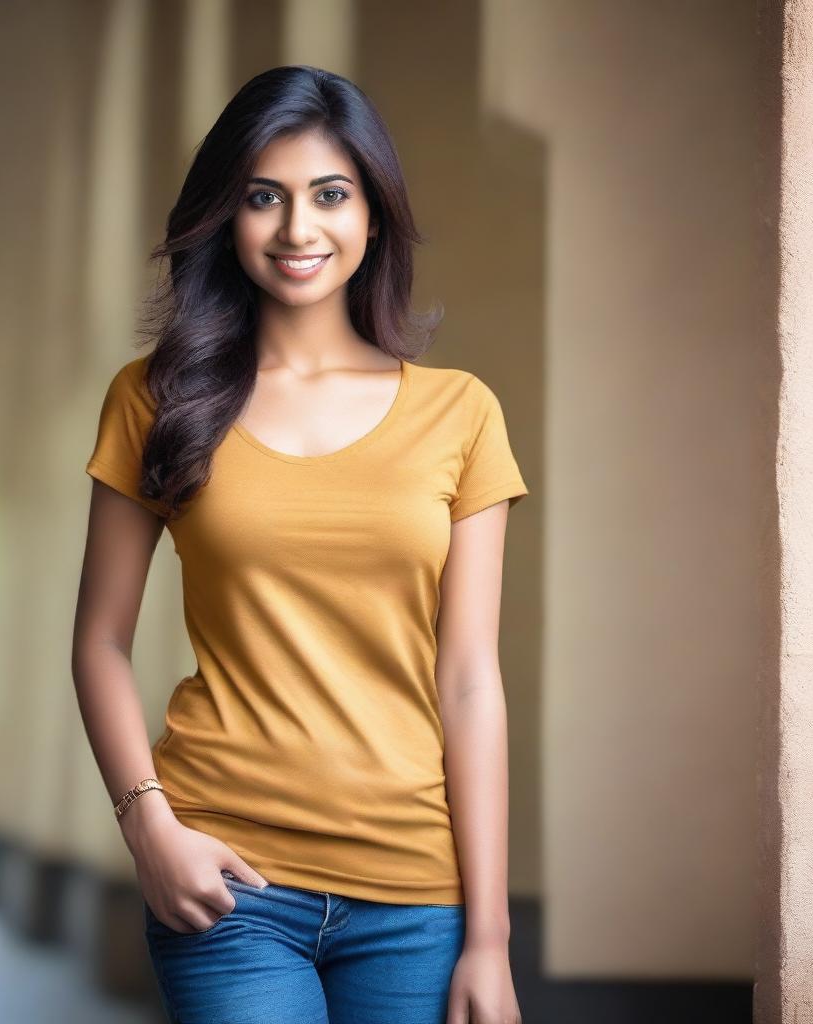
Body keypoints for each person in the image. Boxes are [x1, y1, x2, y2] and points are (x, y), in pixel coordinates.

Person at [71, 64, 528, 1024]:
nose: (296, 230)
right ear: (224, 218)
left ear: (373, 214)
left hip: (415, 894)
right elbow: (99, 641)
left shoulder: (461, 413)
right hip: (228, 881)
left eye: (330, 195)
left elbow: (471, 679)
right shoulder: (156, 397)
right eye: (262, 198)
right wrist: (148, 826)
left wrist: (489, 934)